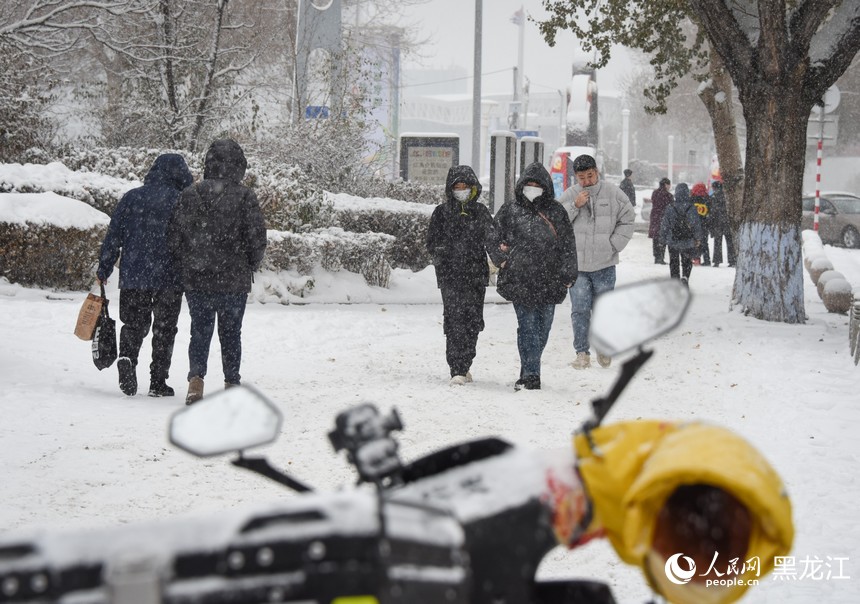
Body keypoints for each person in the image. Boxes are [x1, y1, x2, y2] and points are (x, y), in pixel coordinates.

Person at [167, 139, 267, 405]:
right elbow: (257, 237)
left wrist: (188, 262)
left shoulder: (190, 194)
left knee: (199, 330)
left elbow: (175, 236)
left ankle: (196, 382)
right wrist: (250, 263)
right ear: (239, 165)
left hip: (198, 278)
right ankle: (232, 382)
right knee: (231, 332)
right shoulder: (245, 196)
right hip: (233, 279)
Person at [97, 153, 193, 397]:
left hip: (134, 274)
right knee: (165, 328)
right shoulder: (182, 201)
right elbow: (192, 241)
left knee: (134, 323)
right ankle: (158, 381)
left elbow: (114, 235)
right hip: (169, 276)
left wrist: (104, 267)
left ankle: (128, 357)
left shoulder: (132, 197)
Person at [494, 162, 577, 391]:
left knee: (543, 328)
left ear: (545, 187)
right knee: (528, 325)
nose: (532, 188)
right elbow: (493, 236)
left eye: (536, 185)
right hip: (520, 278)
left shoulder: (556, 212)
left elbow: (568, 244)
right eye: (528, 184)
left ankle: (528, 368)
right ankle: (532, 376)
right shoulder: (510, 210)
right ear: (521, 186)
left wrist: (569, 272)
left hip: (549, 280)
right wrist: (500, 258)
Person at [560, 154, 635, 370]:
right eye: (581, 177)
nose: (586, 181)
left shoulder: (613, 193)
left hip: (605, 264)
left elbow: (627, 219)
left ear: (597, 173)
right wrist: (575, 205)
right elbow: (557, 220)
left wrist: (613, 245)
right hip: (578, 267)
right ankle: (582, 352)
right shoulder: (571, 194)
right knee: (580, 309)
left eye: (590, 176)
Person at [426, 165, 499, 385]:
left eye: (464, 186)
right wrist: (444, 255)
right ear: (450, 189)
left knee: (473, 321)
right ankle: (456, 367)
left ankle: (466, 363)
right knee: (455, 320)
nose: (461, 190)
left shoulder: (481, 212)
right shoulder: (441, 212)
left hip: (475, 276)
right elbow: (432, 242)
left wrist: (500, 256)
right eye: (456, 187)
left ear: (473, 188)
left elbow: (492, 239)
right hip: (450, 277)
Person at [659, 182, 704, 286]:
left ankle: (675, 282)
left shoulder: (670, 207)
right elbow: (696, 224)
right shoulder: (691, 208)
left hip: (672, 240)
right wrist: (698, 238)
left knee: (674, 262)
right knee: (687, 261)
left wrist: (662, 239)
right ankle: (685, 277)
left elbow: (664, 225)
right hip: (688, 240)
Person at [708, 180, 736, 267]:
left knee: (717, 242)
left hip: (718, 223)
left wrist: (710, 221)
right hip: (727, 222)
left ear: (715, 187)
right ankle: (732, 261)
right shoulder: (728, 196)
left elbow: (713, 211)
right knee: (730, 242)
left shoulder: (714, 197)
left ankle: (717, 261)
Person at [648, 177, 672, 264]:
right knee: (662, 237)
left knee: (655, 237)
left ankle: (656, 256)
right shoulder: (668, 196)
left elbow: (654, 202)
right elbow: (670, 207)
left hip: (655, 217)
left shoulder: (655, 193)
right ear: (666, 185)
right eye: (669, 185)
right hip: (664, 218)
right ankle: (660, 257)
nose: (670, 186)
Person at [690, 182, 711, 266]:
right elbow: (710, 211)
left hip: (694, 224)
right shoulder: (707, 199)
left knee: (695, 242)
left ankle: (696, 259)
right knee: (704, 243)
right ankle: (707, 260)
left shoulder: (692, 198)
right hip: (704, 224)